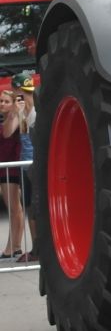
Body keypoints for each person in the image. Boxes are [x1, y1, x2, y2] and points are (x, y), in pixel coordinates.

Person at [11, 72, 36, 263]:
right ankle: (36, 247)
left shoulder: (37, 110)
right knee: (29, 206)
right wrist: (17, 113)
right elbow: (14, 133)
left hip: (36, 164)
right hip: (25, 165)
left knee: (36, 207)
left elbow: (29, 137)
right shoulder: (21, 111)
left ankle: (40, 247)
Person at [0, 90, 25, 261]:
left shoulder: (15, 117)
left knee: (14, 208)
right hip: (4, 167)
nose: (2, 104)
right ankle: (14, 246)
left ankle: (13, 247)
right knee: (13, 207)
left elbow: (7, 134)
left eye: (6, 101)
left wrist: (15, 111)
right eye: (1, 101)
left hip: (11, 168)